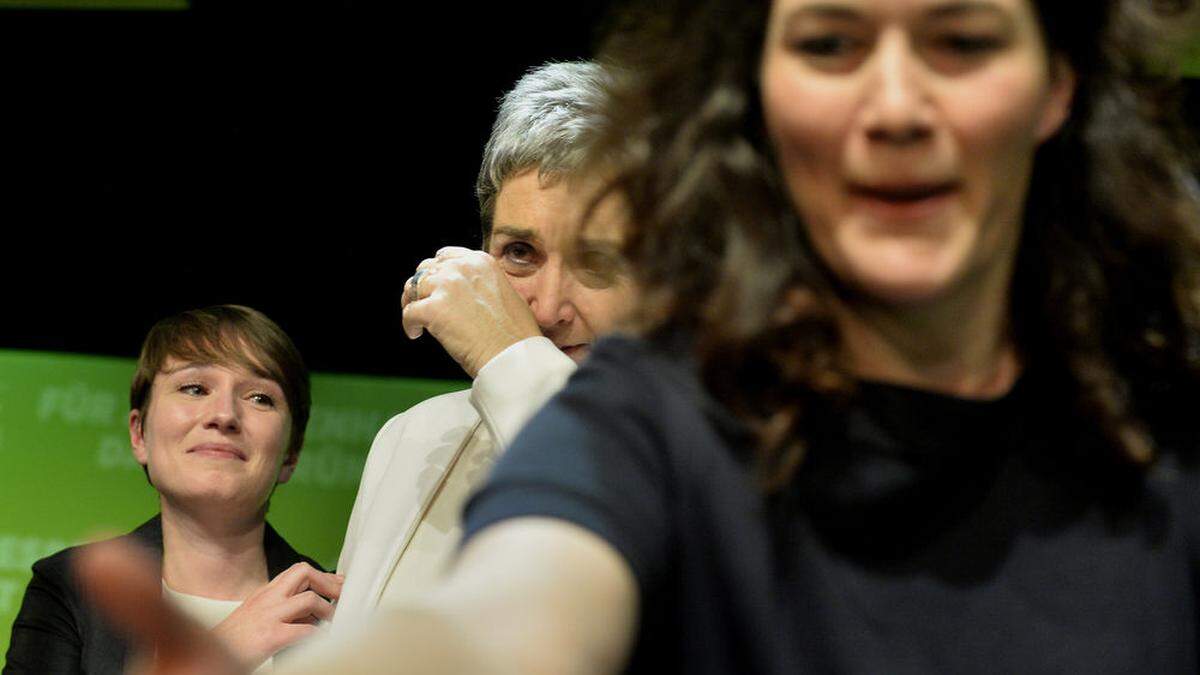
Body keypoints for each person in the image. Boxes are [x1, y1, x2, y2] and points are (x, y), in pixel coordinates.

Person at [75, 0, 1200, 672]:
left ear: (1057, 82)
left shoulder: (1155, 453)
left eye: (960, 38)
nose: (895, 103)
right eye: (827, 43)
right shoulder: (661, 422)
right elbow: (518, 610)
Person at [331, 60, 632, 627]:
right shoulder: (413, 435)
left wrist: (509, 357)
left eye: (596, 261)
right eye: (520, 253)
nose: (546, 308)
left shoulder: (715, 446)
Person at [4, 305, 341, 674]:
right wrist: (221, 652)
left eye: (260, 397)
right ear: (139, 434)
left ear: (292, 453)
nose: (224, 415)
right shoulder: (69, 589)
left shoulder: (340, 611)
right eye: (194, 388)